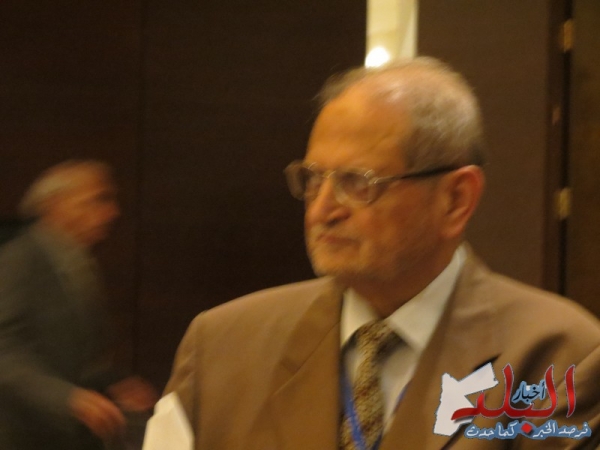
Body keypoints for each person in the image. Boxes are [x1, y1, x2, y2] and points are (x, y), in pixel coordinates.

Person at [159, 58, 600, 449]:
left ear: (456, 199)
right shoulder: (222, 347)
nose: (322, 210)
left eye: (357, 183)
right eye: (313, 180)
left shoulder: (559, 357)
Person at [0, 160, 156, 450]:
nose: (112, 212)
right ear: (54, 205)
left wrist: (114, 383)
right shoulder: (17, 260)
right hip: (24, 434)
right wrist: (66, 399)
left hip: (67, 435)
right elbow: (4, 350)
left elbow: (77, 355)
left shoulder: (76, 262)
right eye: (98, 200)